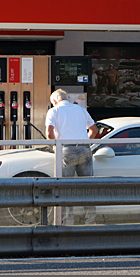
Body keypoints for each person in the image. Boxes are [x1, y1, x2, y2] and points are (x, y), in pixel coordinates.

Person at [45, 89, 98, 225]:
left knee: (66, 187)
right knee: (88, 187)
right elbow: (94, 130)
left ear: (55, 101)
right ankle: (90, 221)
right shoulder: (80, 109)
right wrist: (86, 142)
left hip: (66, 149)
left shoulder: (54, 111)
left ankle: (68, 222)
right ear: (66, 98)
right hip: (85, 149)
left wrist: (56, 146)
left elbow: (49, 133)